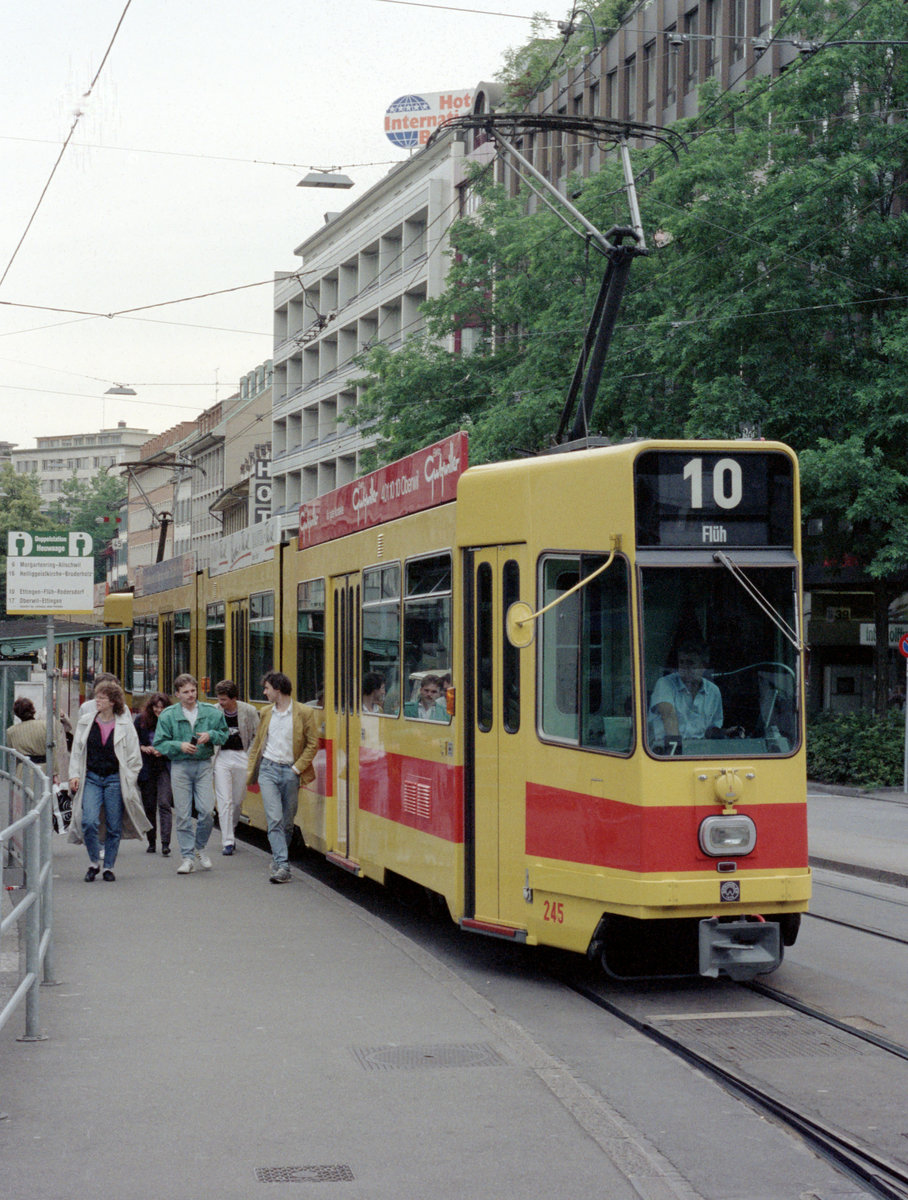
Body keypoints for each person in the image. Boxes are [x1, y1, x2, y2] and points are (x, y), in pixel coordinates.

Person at [67, 680, 150, 882]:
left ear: (113, 701)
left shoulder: (125, 724)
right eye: (97, 696)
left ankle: (109, 867)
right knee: (88, 821)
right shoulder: (87, 721)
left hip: (115, 779)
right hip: (92, 778)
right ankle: (94, 862)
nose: (97, 701)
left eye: (102, 698)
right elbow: (77, 752)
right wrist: (74, 775)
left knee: (114, 825)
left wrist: (129, 779)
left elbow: (133, 757)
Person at [246, 671, 318, 884]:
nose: (264, 692)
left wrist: (297, 769)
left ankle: (279, 860)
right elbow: (259, 742)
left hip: (290, 771)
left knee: (287, 822)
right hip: (268, 769)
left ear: (278, 689)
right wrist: (252, 766)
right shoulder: (266, 712)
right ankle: (283, 865)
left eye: (267, 688)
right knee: (275, 818)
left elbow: (313, 744)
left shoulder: (304, 712)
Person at [153, 674, 228, 875]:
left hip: (203, 765)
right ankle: (187, 857)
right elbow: (159, 743)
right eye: (185, 692)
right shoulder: (168, 715)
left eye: (193, 691)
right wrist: (180, 745)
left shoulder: (210, 712)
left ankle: (200, 846)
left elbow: (224, 733)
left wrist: (210, 735)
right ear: (177, 694)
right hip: (180, 766)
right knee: (184, 814)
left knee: (206, 811)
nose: (190, 695)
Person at [213, 679, 259, 855]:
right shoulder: (216, 711)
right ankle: (228, 841)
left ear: (234, 698)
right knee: (224, 799)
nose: (220, 703)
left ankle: (230, 827)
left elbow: (257, 735)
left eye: (224, 699)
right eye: (219, 699)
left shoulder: (249, 711)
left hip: (242, 755)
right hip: (221, 757)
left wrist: (249, 757)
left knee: (238, 799)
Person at [650, 640, 723, 751]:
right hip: (664, 752)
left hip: (697, 752)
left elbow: (711, 728)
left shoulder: (713, 691)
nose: (684, 667)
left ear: (703, 666)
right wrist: (675, 756)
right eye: (681, 662)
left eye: (690, 663)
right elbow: (669, 716)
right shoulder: (665, 684)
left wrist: (725, 732)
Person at [134, 693, 174, 856]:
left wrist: (163, 750)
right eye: (156, 707)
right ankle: (152, 842)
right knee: (149, 806)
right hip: (146, 766)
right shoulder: (140, 721)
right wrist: (143, 748)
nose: (159, 710)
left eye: (162, 707)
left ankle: (165, 843)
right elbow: (131, 741)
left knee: (164, 803)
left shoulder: (172, 722)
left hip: (164, 765)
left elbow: (176, 742)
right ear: (151, 707)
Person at [5, 697, 68, 781]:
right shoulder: (46, 726)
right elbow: (53, 750)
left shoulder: (10, 732)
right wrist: (55, 772)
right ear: (33, 710)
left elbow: (12, 757)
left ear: (16, 713)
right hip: (44, 770)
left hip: (22, 771)